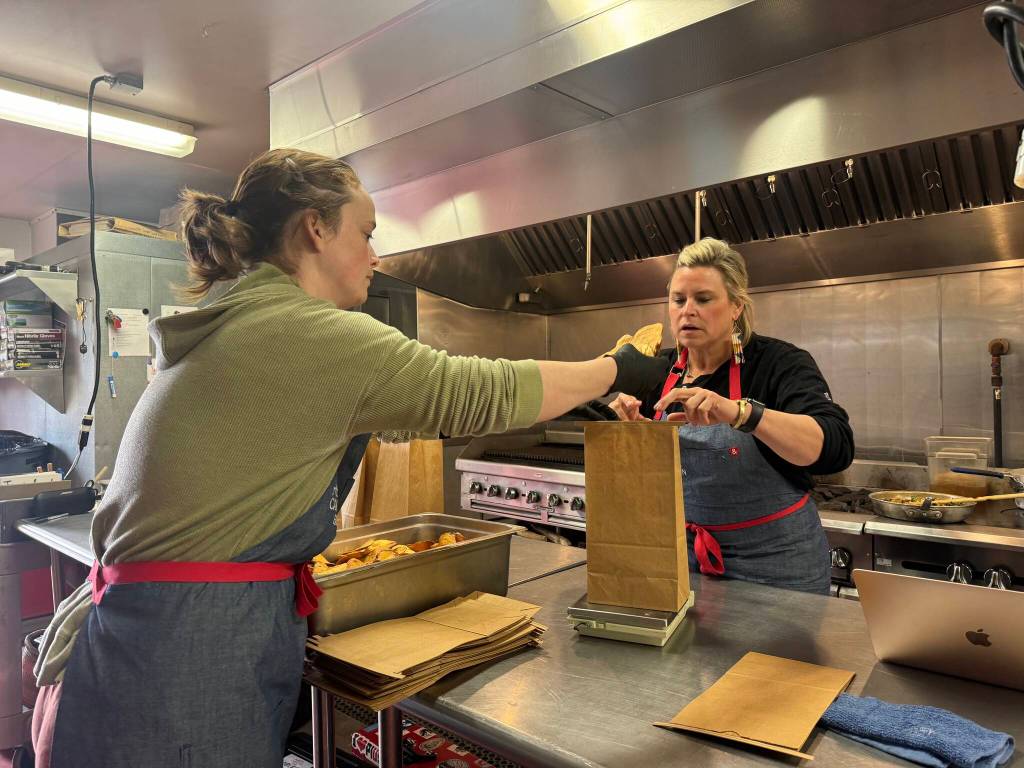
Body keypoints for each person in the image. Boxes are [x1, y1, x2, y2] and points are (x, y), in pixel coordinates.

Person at [30, 148, 669, 768]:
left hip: (142, 639)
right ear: (315, 228)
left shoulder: (231, 320)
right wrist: (614, 368)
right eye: (364, 233)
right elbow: (480, 393)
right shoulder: (310, 333)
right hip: (186, 661)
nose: (374, 255)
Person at [609, 238, 854, 594]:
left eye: (703, 299)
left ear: (736, 306)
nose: (687, 310)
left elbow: (836, 447)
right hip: (684, 560)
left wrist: (741, 413)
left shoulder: (778, 363)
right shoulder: (656, 371)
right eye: (678, 300)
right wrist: (636, 436)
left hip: (778, 567)